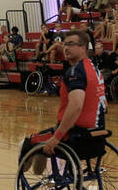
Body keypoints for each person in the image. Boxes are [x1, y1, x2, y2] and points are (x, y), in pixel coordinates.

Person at [32, 30, 107, 164]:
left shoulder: (75, 71)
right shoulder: (94, 69)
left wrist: (57, 137)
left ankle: (35, 177)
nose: (66, 48)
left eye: (71, 44)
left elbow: (76, 106)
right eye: (65, 44)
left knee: (29, 142)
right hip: (98, 135)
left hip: (75, 137)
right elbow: (105, 105)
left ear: (83, 47)